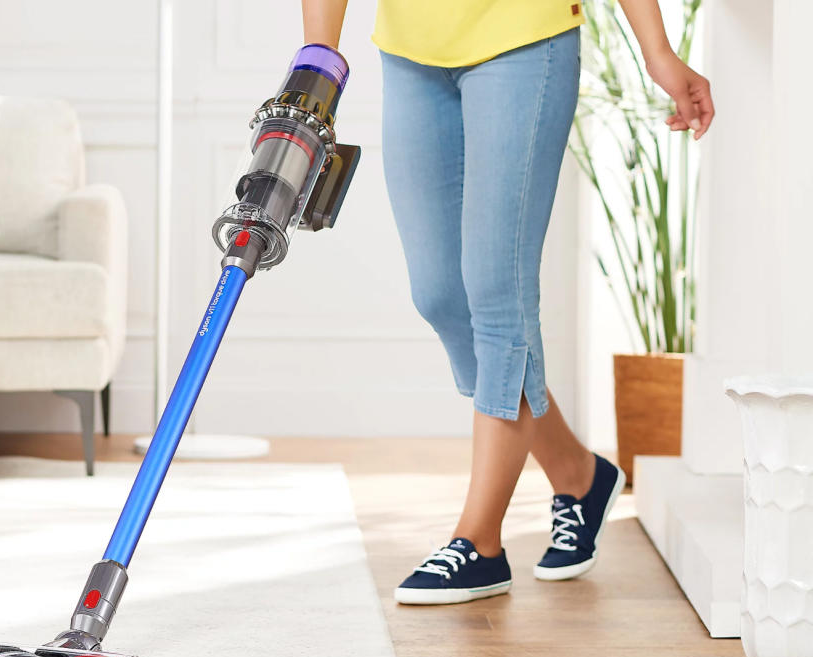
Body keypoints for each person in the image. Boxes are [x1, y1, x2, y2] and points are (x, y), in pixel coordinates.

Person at [301, 0, 715, 605]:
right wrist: (319, 57)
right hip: (410, 46)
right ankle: (579, 474)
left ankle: (481, 542)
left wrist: (657, 51)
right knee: (441, 293)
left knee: (499, 291)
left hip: (526, 38)